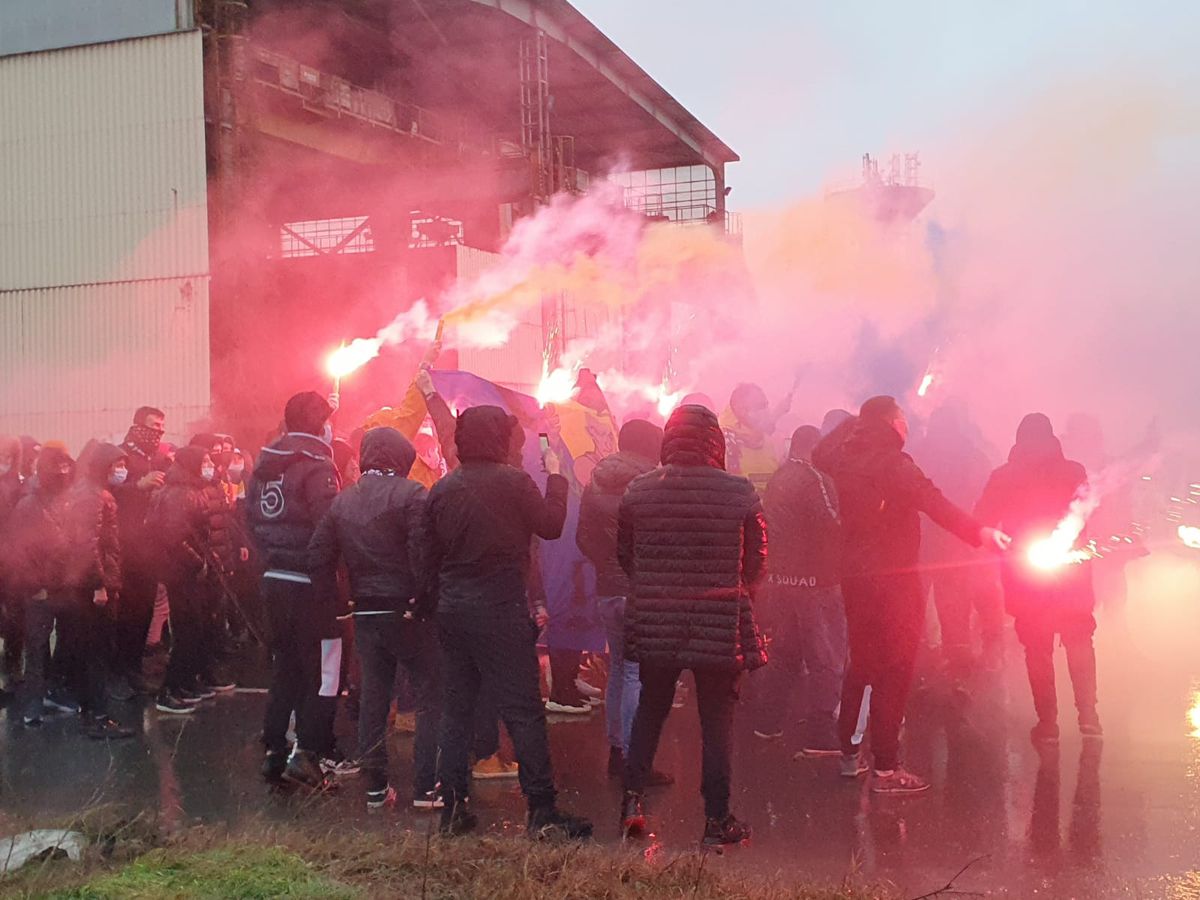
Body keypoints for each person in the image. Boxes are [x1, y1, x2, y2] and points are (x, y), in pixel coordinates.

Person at [813, 396, 1009, 794]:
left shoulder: (842, 456)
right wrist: (981, 534)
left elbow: (820, 452)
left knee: (861, 663)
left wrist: (857, 421)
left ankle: (850, 755)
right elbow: (933, 502)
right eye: (902, 420)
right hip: (894, 581)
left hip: (855, 575)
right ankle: (887, 768)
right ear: (892, 422)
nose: (907, 428)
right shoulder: (892, 463)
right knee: (896, 668)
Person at [425, 405, 591, 840]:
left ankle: (454, 810)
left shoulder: (443, 488)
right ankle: (542, 811)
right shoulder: (514, 482)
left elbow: (427, 556)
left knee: (456, 711)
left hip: (454, 612)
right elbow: (552, 526)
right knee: (523, 712)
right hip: (500, 609)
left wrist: (434, 604)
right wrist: (555, 476)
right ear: (501, 438)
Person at [618, 404, 767, 847]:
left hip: (656, 619)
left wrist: (654, 589)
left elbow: (626, 555)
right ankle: (717, 820)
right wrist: (739, 591)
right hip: (718, 623)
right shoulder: (740, 492)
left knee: (650, 710)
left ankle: (631, 803)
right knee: (716, 722)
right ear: (714, 443)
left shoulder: (638, 491)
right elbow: (758, 558)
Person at [309, 427, 441, 811]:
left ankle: (375, 789)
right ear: (402, 458)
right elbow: (424, 552)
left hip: (365, 609)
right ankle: (425, 789)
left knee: (373, 700)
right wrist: (423, 599)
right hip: (408, 609)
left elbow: (318, 556)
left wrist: (337, 603)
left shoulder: (341, 502)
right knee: (431, 694)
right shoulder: (414, 493)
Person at [975, 414, 1102, 744]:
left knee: (1037, 648)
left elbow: (983, 518)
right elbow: (1090, 512)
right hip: (1071, 574)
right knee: (1078, 642)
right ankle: (1089, 717)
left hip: (1025, 575)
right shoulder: (1074, 471)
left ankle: (1048, 724)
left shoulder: (1004, 476)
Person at [246, 391, 345, 789]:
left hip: (274, 580)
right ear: (320, 424)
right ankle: (307, 753)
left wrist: (270, 555)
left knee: (286, 669)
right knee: (324, 673)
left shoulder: (263, 465)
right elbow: (330, 527)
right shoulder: (318, 467)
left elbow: (248, 518)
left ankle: (274, 751)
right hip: (311, 585)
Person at [576, 419, 674, 783]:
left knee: (618, 669)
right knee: (636, 671)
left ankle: (617, 752)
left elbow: (583, 537)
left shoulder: (594, 481)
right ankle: (636, 760)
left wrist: (606, 566)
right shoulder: (656, 484)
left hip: (607, 589)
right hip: (641, 590)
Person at [752, 425, 846, 756]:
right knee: (826, 655)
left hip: (780, 579)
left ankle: (767, 722)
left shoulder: (778, 477)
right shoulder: (815, 479)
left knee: (785, 653)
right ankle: (821, 733)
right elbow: (833, 525)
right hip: (815, 581)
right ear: (814, 447)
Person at [913, 403, 1003, 684]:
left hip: (923, 539)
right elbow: (984, 496)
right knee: (954, 606)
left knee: (916, 603)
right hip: (957, 540)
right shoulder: (974, 456)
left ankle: (919, 661)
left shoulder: (920, 453)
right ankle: (957, 669)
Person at [59, 442, 136, 739]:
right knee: (97, 653)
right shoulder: (93, 496)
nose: (121, 470)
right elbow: (88, 544)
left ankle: (93, 711)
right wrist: (99, 584)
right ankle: (98, 717)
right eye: (116, 465)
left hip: (87, 585)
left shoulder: (89, 493)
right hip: (93, 588)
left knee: (91, 651)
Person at [147, 446, 230, 714]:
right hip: (181, 573)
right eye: (204, 461)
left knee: (196, 627)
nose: (209, 465)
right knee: (186, 630)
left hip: (190, 572)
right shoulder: (181, 494)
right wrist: (199, 561)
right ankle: (169, 689)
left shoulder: (192, 491)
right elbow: (174, 538)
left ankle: (185, 682)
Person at [10, 446, 77, 725]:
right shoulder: (29, 504)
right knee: (37, 645)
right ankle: (33, 702)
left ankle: (53, 691)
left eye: (66, 466)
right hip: (39, 587)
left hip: (65, 585)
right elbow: (19, 550)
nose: (62, 472)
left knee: (65, 640)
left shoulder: (67, 500)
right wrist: (35, 584)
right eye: (57, 466)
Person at [110, 407, 169, 700]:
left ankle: (134, 669)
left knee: (143, 612)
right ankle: (117, 673)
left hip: (149, 548)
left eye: (162, 426)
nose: (158, 431)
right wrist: (138, 487)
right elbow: (109, 494)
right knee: (124, 615)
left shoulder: (156, 459)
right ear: (137, 425)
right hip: (124, 548)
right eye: (153, 425)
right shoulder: (120, 458)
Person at [721, 382, 790, 494]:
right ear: (741, 410)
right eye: (761, 406)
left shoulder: (771, 442)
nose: (766, 410)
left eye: (766, 405)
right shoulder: (724, 443)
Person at [0, 435, 27, 692]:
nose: (5, 462)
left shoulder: (19, 486)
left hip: (14, 562)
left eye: (9, 457)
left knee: (15, 617)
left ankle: (12, 664)